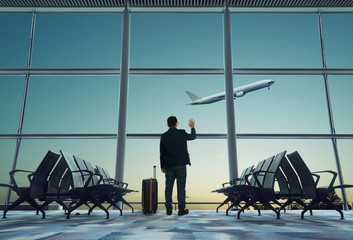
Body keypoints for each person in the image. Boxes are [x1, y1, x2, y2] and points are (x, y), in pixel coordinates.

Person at [160, 116, 196, 216]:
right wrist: (192, 127)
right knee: (181, 188)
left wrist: (162, 166)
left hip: (169, 166)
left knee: (168, 188)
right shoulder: (181, 133)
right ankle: (181, 210)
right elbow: (192, 137)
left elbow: (162, 153)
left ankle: (168, 210)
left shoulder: (164, 136)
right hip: (181, 165)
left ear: (168, 124)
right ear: (176, 123)